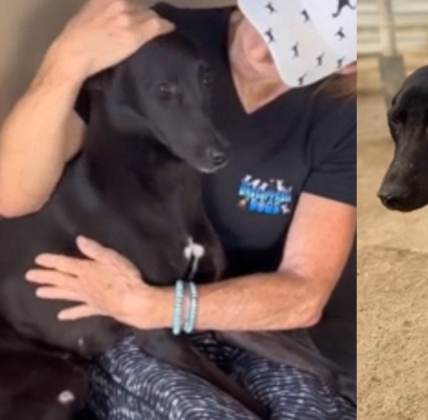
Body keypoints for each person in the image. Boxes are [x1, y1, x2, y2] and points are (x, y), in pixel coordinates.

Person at [0, 0, 357, 418]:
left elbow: (303, 293)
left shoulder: (339, 117)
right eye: (271, 19)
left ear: (346, 63)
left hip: (242, 311)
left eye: (297, 47)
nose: (261, 51)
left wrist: (152, 304)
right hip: (121, 323)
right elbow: (14, 195)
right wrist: (66, 60)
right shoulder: (157, 42)